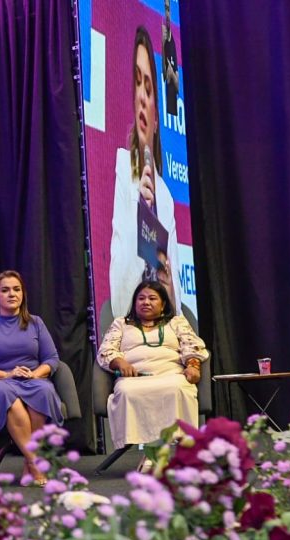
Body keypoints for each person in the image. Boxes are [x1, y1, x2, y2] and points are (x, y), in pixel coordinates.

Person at [110, 25, 181, 320]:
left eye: (149, 88)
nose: (141, 96)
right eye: (137, 83)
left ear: (155, 116)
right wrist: (141, 214)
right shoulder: (123, 168)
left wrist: (166, 282)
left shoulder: (164, 194)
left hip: (164, 320)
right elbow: (118, 288)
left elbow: (173, 283)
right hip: (130, 320)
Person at [0, 271, 64, 486]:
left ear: (23, 294)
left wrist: (35, 374)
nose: (11, 294)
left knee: (44, 390)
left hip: (31, 380)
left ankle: (30, 465)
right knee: (6, 393)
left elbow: (52, 358)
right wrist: (7, 374)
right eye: (5, 290)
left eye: (16, 289)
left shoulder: (36, 323)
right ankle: (34, 461)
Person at [97, 280, 208, 453]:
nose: (146, 302)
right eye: (141, 298)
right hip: (134, 378)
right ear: (135, 303)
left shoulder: (177, 322)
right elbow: (106, 350)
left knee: (178, 387)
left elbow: (192, 346)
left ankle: (183, 449)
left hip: (171, 374)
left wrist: (193, 366)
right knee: (125, 391)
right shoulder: (121, 323)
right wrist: (120, 362)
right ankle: (150, 451)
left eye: (152, 298)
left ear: (163, 304)